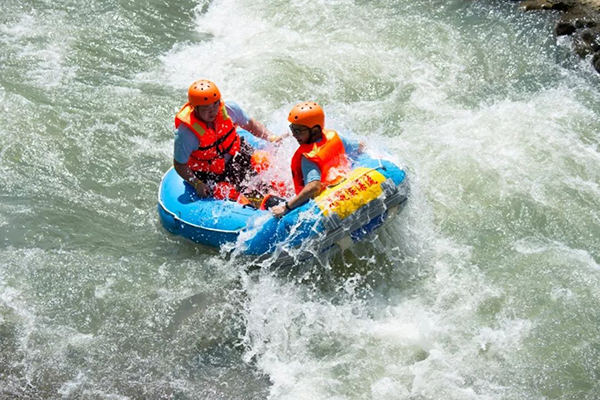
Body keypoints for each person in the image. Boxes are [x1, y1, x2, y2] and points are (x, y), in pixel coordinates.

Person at [173, 79, 279, 198]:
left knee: (263, 165)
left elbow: (250, 125)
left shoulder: (230, 109)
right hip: (211, 173)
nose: (213, 109)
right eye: (206, 107)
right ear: (194, 108)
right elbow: (179, 164)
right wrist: (197, 183)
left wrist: (272, 137)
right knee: (226, 191)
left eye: (215, 103)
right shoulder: (186, 134)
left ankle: (282, 195)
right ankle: (259, 204)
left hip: (237, 155)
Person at [270, 101, 353, 218]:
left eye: (298, 131)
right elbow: (359, 148)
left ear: (314, 130)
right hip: (339, 182)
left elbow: (314, 187)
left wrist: (285, 207)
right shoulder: (333, 136)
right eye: (292, 129)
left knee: (269, 200)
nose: (294, 134)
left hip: (319, 203)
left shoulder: (308, 158)